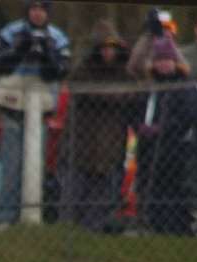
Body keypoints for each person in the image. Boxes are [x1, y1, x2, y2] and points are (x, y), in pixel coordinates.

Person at [0, 0, 71, 226]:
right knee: (11, 165)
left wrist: (46, 53)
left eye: (42, 8)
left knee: (36, 167)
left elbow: (60, 71)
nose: (37, 13)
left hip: (41, 109)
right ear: (27, 10)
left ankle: (34, 216)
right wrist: (20, 49)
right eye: (33, 8)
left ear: (48, 12)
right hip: (13, 107)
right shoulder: (10, 32)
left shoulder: (57, 37)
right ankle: (5, 219)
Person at [63, 24, 134, 231]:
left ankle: (93, 232)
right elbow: (79, 88)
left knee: (102, 196)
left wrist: (104, 96)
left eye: (111, 48)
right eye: (103, 48)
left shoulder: (124, 73)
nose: (108, 52)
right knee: (75, 193)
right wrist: (111, 96)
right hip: (83, 143)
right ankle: (68, 232)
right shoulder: (84, 71)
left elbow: (131, 93)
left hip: (110, 145)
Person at [131, 36, 197, 236]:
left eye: (167, 60)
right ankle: (153, 226)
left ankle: (176, 230)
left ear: (174, 61)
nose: (163, 64)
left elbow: (190, 115)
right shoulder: (150, 87)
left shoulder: (184, 86)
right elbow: (136, 110)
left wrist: (163, 128)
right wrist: (141, 127)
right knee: (150, 190)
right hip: (149, 149)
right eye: (159, 60)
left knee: (174, 193)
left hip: (175, 150)